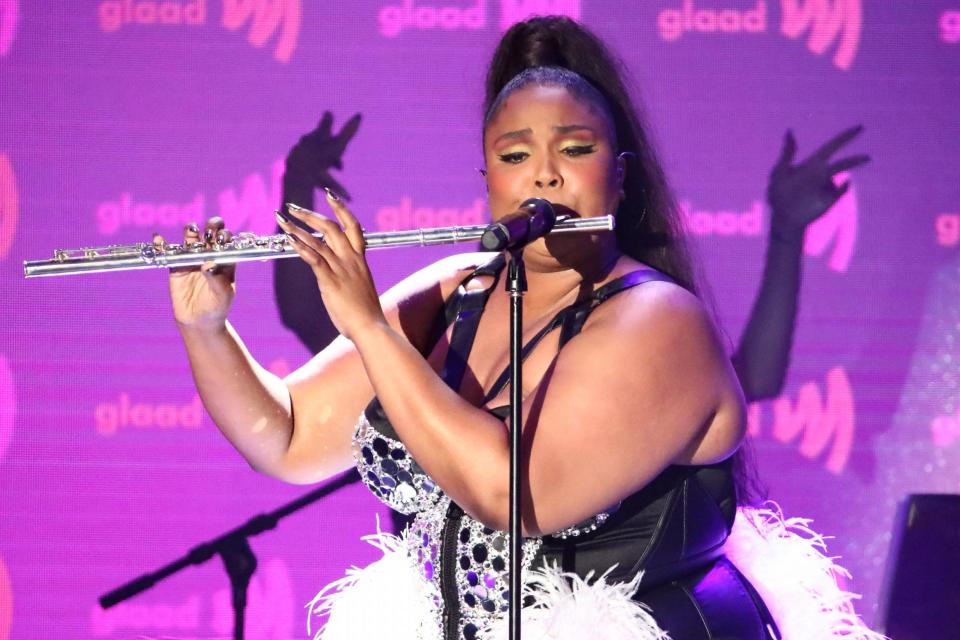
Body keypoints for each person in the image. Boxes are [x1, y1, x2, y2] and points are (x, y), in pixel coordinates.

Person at [168, 16, 881, 640]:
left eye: (574, 150)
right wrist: (207, 329)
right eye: (515, 157)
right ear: (488, 179)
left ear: (620, 175)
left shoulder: (659, 321)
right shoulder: (453, 291)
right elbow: (287, 436)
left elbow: (517, 498)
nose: (544, 177)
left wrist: (370, 329)